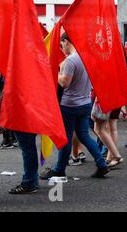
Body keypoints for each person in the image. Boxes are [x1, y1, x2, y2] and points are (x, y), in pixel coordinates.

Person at [40, 33, 109, 180]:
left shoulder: (71, 61)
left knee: (66, 138)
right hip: (84, 103)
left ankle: (59, 169)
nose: (62, 48)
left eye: (62, 45)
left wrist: (55, 72)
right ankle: (101, 164)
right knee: (84, 136)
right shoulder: (87, 57)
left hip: (69, 105)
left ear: (66, 42)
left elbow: (65, 83)